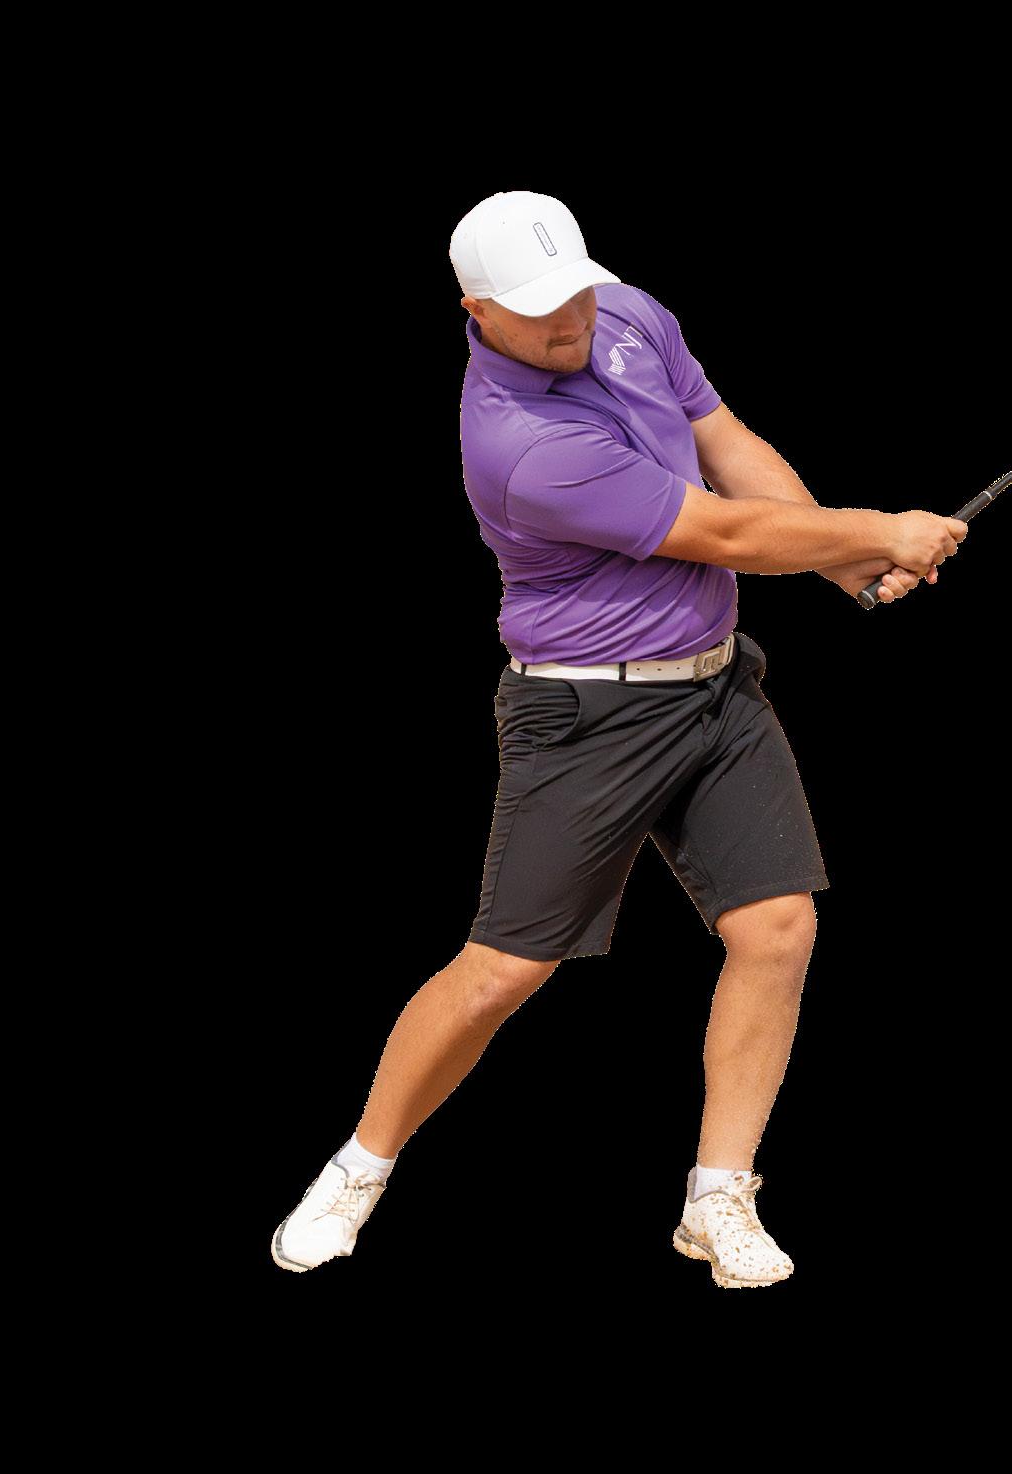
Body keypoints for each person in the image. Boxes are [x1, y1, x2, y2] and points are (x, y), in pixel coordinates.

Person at [272, 190, 966, 1286]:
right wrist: (880, 529)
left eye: (577, 292)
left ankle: (717, 1196)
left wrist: (842, 561)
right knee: (504, 970)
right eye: (539, 309)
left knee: (777, 928)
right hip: (585, 717)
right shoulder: (519, 444)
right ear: (475, 312)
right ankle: (359, 1165)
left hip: (714, 689)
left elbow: (727, 447)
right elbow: (718, 531)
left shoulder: (626, 311)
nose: (570, 321)